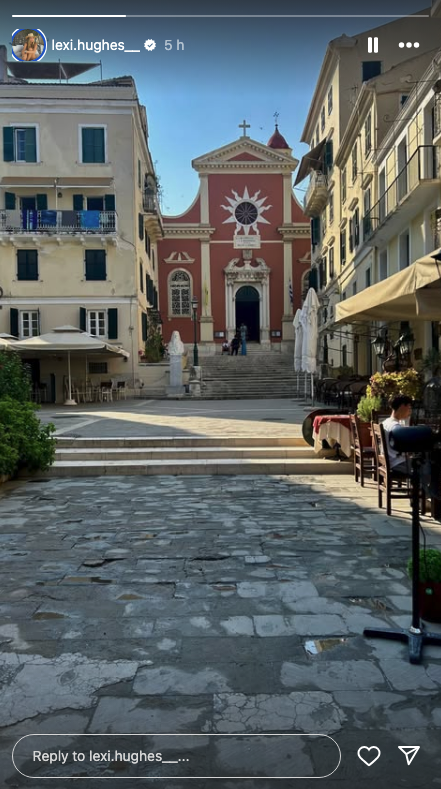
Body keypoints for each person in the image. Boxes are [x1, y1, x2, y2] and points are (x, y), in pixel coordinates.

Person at [381, 394, 413, 475]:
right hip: (397, 464)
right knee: (427, 467)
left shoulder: (385, 422)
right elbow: (405, 449)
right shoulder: (396, 427)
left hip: (388, 462)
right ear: (402, 407)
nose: (410, 411)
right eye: (409, 408)